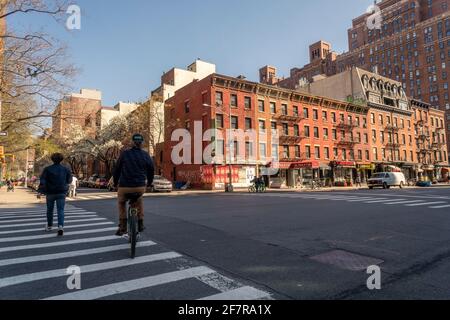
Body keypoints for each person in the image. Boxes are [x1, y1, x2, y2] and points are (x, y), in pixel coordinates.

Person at [113, 134, 155, 236]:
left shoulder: (124, 154)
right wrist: (149, 182)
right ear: (141, 143)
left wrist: (115, 183)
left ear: (132, 143)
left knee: (121, 202)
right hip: (139, 186)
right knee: (139, 199)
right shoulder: (145, 155)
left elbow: (117, 169)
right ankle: (140, 223)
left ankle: (123, 227)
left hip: (124, 186)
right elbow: (151, 169)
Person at [39, 153, 73, 236]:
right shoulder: (66, 169)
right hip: (61, 192)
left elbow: (42, 180)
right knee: (60, 210)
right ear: (61, 159)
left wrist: (41, 189)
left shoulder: (47, 169)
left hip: (50, 192)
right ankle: (60, 226)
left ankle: (50, 225)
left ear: (52, 159)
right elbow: (69, 180)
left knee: (49, 210)